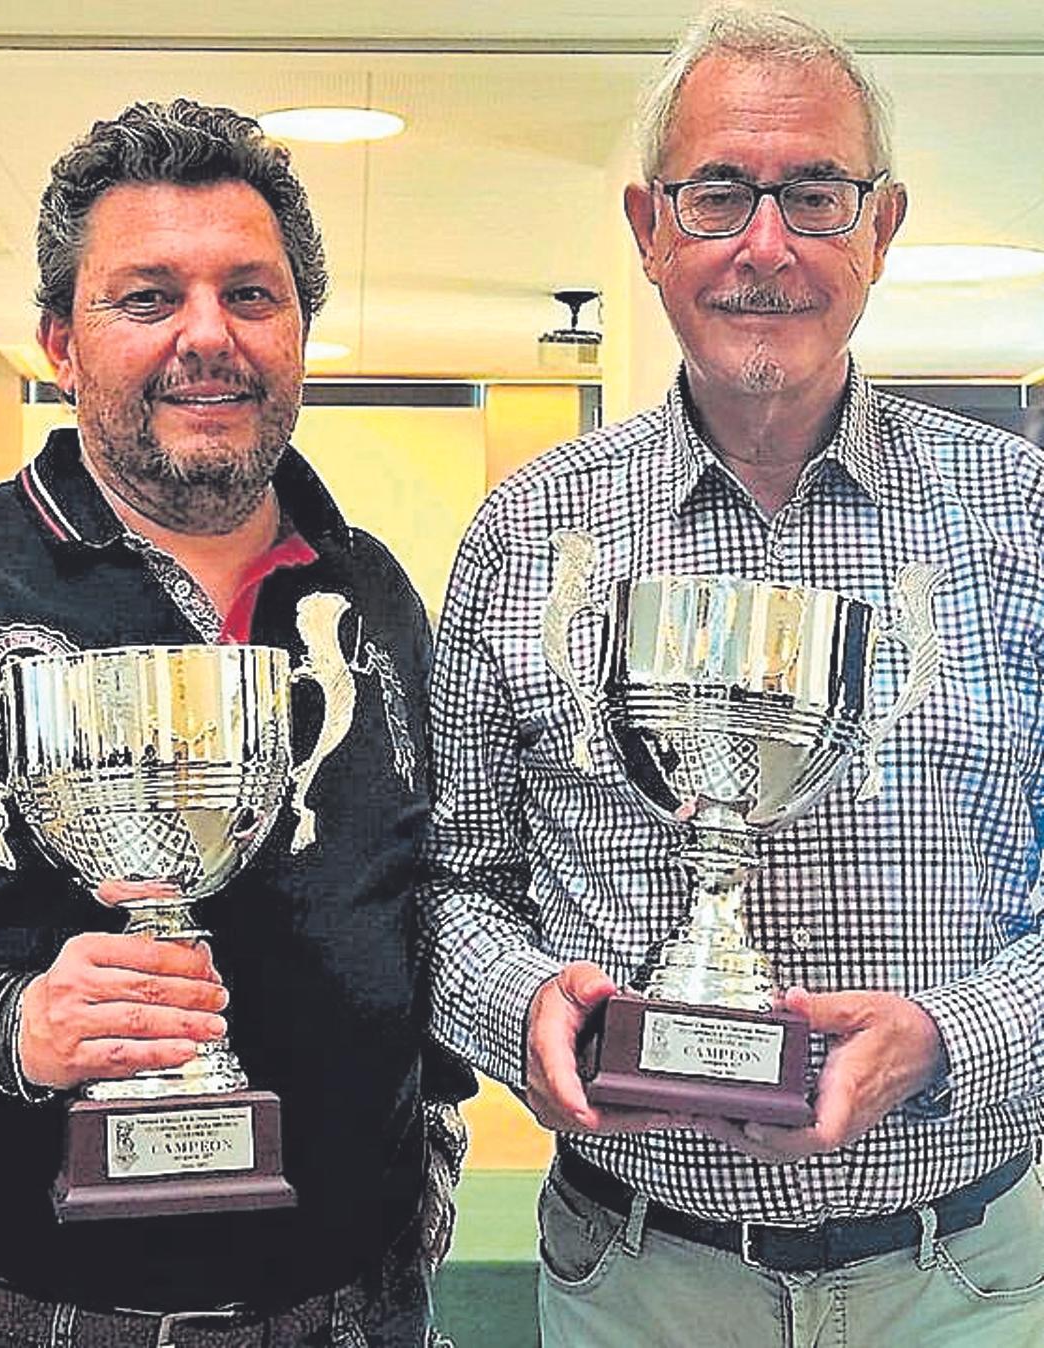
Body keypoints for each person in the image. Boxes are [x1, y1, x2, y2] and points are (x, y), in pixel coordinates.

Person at [424, 7, 1044, 1346]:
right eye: (721, 195)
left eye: (815, 196)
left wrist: (950, 1037)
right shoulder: (526, 531)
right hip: (636, 1279)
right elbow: (450, 883)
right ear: (651, 227)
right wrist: (519, 1001)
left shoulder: (1023, 521)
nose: (768, 247)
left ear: (882, 227)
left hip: (968, 1285)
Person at [0, 98, 472, 1348]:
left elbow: (419, 891)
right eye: (146, 297)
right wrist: (0, 1019)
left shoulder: (373, 590)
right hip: (15, 1322)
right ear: (59, 343)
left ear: (299, 332)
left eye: (252, 294)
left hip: (358, 1315)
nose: (207, 336)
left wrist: (432, 1136)